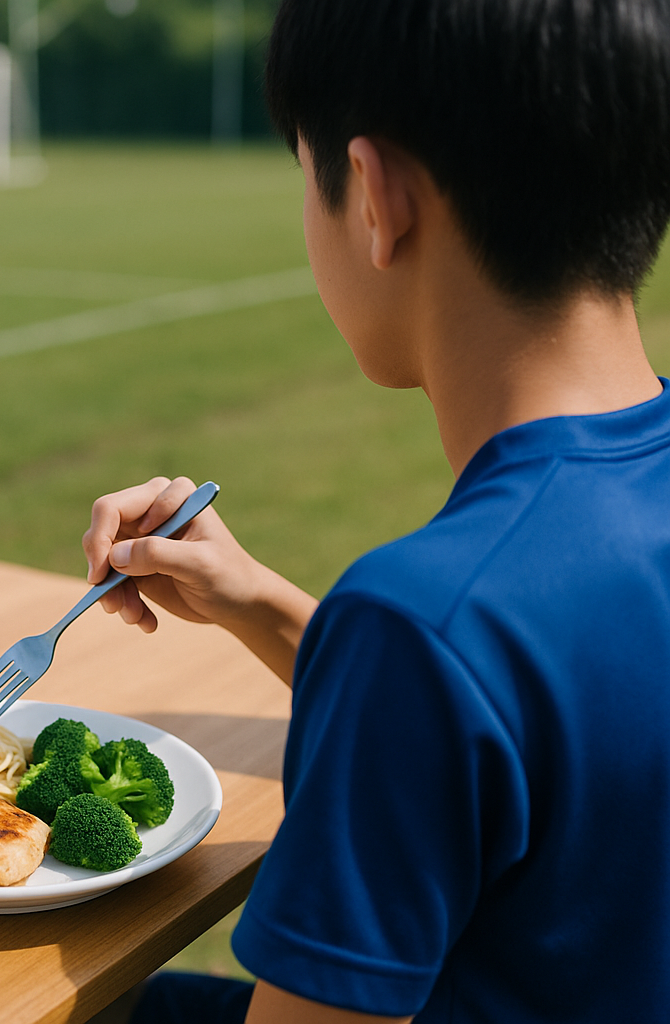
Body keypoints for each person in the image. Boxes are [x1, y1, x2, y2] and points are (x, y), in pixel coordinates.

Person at [81, 0, 670, 1021]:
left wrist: (381, 644)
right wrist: (259, 602)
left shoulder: (425, 620)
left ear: (374, 194)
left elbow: (448, 670)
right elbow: (545, 716)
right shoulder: (452, 630)